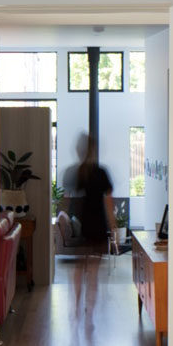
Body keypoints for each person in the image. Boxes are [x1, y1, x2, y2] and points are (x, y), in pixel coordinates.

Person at [63, 132, 116, 316]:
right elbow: (108, 203)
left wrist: (65, 223)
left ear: (78, 151)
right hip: (98, 224)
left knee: (79, 267)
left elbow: (66, 202)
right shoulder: (101, 172)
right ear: (93, 150)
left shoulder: (73, 172)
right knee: (93, 270)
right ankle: (89, 311)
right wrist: (114, 226)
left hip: (79, 225)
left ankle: (76, 305)